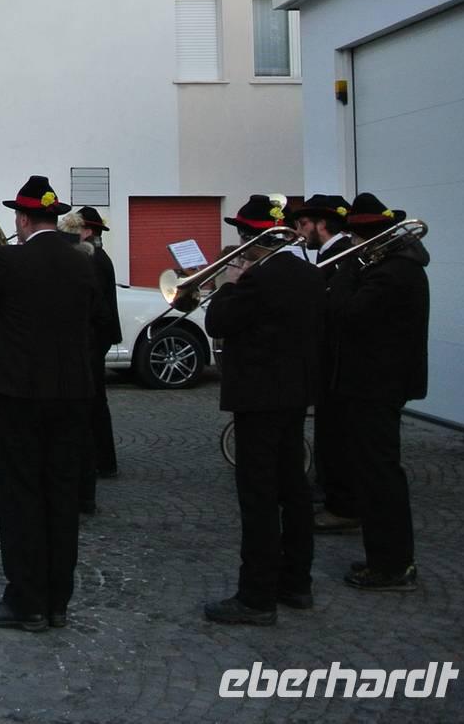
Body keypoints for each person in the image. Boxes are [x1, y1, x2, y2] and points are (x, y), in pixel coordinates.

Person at [0, 175, 106, 632]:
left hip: (19, 395)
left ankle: (26, 601)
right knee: (61, 496)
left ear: (23, 218)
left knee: (21, 495)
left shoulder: (7, 260)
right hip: (72, 393)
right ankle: (57, 602)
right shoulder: (82, 263)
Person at [200, 195, 323, 625]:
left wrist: (229, 282)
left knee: (258, 497)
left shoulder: (258, 278)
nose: (239, 244)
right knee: (294, 491)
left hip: (257, 398)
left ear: (255, 237)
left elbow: (218, 323)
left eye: (242, 236)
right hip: (294, 395)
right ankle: (296, 584)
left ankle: (256, 596)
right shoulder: (308, 273)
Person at [327, 193, 429, 592]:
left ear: (364, 236)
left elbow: (347, 313)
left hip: (375, 385)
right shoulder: (396, 268)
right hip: (375, 383)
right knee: (375, 471)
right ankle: (386, 558)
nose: (350, 244)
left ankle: (391, 564)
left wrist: (349, 267)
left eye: (353, 237)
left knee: (379, 474)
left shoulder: (391, 273)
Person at [290, 194, 358, 533]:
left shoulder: (342, 257)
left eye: (303, 224)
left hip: (337, 362)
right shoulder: (330, 255)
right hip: (329, 361)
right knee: (329, 430)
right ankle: (330, 489)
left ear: (321, 224)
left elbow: (331, 311)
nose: (300, 232)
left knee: (337, 433)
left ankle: (341, 500)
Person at [61, 206, 121, 516]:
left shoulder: (94, 259)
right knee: (97, 399)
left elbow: (95, 304)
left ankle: (103, 461)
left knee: (95, 401)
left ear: (87, 231)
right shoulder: (97, 256)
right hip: (97, 334)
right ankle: (103, 460)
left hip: (94, 336)